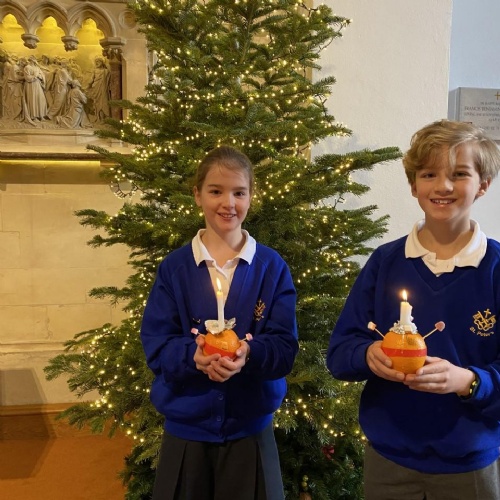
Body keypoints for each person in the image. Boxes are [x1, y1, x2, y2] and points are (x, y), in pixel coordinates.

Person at [327, 119, 500, 500]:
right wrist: (367, 355)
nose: (443, 186)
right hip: (389, 461)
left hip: (468, 465)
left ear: (483, 185)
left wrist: (469, 382)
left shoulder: (495, 270)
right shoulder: (385, 262)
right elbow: (339, 354)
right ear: (413, 185)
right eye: (429, 174)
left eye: (459, 174)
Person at [141, 146, 298, 500]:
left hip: (250, 431)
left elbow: (284, 347)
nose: (228, 203)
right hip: (187, 431)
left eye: (239, 192)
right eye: (216, 191)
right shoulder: (175, 269)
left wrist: (248, 354)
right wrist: (193, 357)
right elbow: (157, 344)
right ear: (198, 195)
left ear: (251, 196)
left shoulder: (271, 268)